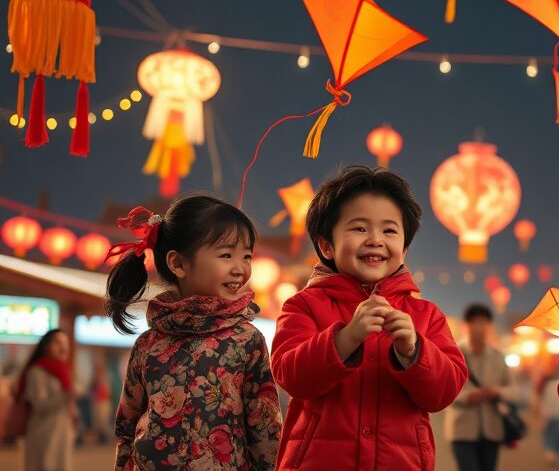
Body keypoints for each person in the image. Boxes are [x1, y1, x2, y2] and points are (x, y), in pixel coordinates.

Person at [271, 166, 468, 470]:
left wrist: (414, 350)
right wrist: (345, 338)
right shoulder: (303, 305)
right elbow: (292, 377)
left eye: (389, 230)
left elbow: (443, 393)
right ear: (326, 246)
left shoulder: (426, 315)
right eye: (359, 228)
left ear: (403, 248)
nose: (376, 240)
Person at [108, 196, 282, 470]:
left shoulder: (246, 339)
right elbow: (127, 424)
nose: (241, 268)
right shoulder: (148, 344)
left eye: (246, 256)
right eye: (226, 255)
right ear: (178, 264)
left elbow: (266, 429)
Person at [446, 303, 516, 471]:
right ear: (466, 325)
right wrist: (467, 396)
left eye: (483, 322)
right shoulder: (454, 353)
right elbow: (444, 388)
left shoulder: (498, 356)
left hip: (492, 429)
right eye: (475, 322)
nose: (479, 327)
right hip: (462, 430)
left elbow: (514, 390)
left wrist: (498, 391)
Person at [17, 328, 75, 471]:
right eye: (57, 342)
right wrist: (66, 396)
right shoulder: (37, 371)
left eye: (65, 343)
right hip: (43, 433)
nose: (63, 347)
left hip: (61, 432)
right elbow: (39, 406)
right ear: (46, 346)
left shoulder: (63, 371)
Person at [535, 355, 559, 468]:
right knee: (550, 435)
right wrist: (539, 414)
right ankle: (551, 454)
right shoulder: (544, 380)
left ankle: (554, 454)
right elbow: (537, 397)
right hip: (549, 413)